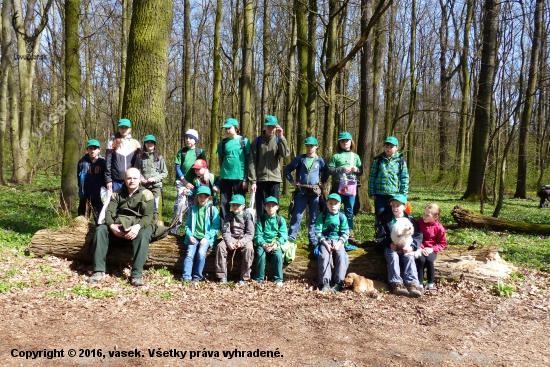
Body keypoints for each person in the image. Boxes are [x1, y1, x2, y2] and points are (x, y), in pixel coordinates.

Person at [87, 167, 154, 286]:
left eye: (135, 178)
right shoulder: (116, 193)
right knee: (101, 230)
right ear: (125, 179)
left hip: (139, 224)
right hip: (120, 223)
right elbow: (108, 213)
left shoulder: (147, 194)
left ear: (140, 180)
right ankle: (98, 271)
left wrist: (137, 227)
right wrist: (112, 226)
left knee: (144, 235)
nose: (132, 181)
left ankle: (136, 275)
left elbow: (148, 217)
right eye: (129, 178)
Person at [284, 136, 328, 248]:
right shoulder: (300, 159)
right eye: (307, 146)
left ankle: (312, 239)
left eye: (312, 146)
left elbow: (326, 172)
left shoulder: (320, 160)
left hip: (314, 192)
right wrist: (292, 181)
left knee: (314, 216)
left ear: (316, 147)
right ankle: (291, 238)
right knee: (297, 215)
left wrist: (322, 181)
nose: (309, 148)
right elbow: (287, 169)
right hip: (301, 191)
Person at [375, 194, 423, 297]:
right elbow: (380, 236)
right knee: (392, 256)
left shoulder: (410, 219)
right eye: (393, 205)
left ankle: (412, 284)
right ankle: (396, 284)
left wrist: (412, 247)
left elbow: (418, 235)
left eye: (398, 206)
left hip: (407, 246)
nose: (395, 208)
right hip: (391, 247)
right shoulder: (386, 219)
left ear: (404, 207)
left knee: (409, 257)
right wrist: (389, 244)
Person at [249, 115, 290, 219]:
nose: (271, 129)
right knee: (260, 207)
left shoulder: (278, 140)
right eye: (269, 127)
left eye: (273, 127)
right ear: (265, 126)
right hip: (260, 179)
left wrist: (281, 137)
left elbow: (285, 154)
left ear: (276, 127)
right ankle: (261, 229)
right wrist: (253, 181)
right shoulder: (257, 141)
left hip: (274, 179)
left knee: (274, 206)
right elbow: (251, 162)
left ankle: (274, 229)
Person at [327, 132, 363, 246]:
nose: (345, 142)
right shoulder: (336, 156)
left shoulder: (355, 156)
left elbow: (361, 171)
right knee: (335, 210)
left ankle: (350, 234)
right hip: (338, 188)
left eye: (347, 140)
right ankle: (335, 232)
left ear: (351, 141)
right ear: (339, 143)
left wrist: (356, 169)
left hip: (351, 188)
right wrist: (341, 169)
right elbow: (330, 170)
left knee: (349, 211)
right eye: (342, 141)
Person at [182, 186, 220, 284]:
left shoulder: (213, 209)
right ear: (197, 197)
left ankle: (197, 276)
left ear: (209, 198)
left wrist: (206, 237)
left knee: (201, 253)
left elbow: (215, 226)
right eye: (200, 197)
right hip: (194, 236)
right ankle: (186, 277)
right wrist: (190, 235)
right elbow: (187, 226)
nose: (202, 199)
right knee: (189, 254)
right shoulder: (193, 209)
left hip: (206, 237)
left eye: (205, 197)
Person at [172, 129, 207, 233]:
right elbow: (177, 167)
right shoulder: (181, 152)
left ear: (195, 140)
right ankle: (174, 230)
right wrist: (185, 182)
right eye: (186, 138)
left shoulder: (200, 152)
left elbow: (204, 165)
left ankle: (190, 231)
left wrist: (205, 172)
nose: (188, 140)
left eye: (191, 138)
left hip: (196, 183)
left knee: (191, 207)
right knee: (180, 204)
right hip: (182, 182)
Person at [216, 118, 251, 220]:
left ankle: (240, 227)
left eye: (229, 128)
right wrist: (223, 170)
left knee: (239, 204)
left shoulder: (244, 141)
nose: (227, 130)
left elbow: (248, 161)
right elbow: (220, 158)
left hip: (239, 178)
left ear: (236, 128)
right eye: (225, 128)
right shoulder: (222, 143)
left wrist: (246, 179)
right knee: (224, 203)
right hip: (225, 177)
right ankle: (224, 229)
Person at [215, 194, 254, 286]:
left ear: (243, 206)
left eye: (238, 205)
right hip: (231, 238)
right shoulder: (229, 215)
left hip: (244, 239)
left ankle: (244, 277)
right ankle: (222, 275)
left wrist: (241, 242)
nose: (235, 207)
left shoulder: (248, 216)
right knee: (220, 247)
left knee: (249, 250)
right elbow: (225, 231)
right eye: (233, 205)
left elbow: (250, 233)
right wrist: (228, 242)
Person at [368, 136, 409, 219]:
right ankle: (379, 231)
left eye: (391, 147)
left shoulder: (400, 162)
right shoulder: (378, 161)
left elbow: (404, 178)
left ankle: (392, 231)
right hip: (379, 195)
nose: (388, 149)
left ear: (397, 148)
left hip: (394, 195)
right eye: (386, 147)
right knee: (379, 213)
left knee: (393, 215)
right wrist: (371, 192)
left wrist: (403, 195)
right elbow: (372, 177)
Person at [315, 193, 349, 292]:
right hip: (325, 240)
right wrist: (325, 243)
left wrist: (339, 243)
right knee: (324, 256)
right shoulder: (322, 216)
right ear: (327, 204)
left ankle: (339, 282)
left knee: (341, 256)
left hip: (338, 240)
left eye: (335, 203)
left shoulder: (342, 217)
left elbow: (345, 233)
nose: (333, 205)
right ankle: (325, 282)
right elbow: (318, 232)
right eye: (331, 203)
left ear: (340, 205)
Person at [253, 196, 288, 286]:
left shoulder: (281, 220)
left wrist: (276, 244)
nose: (270, 208)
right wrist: (263, 244)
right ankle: (259, 278)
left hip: (275, 244)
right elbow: (257, 235)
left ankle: (278, 279)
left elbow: (283, 235)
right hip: (263, 243)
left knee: (278, 256)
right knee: (260, 255)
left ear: (277, 207)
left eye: (273, 205)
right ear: (265, 207)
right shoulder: (261, 220)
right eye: (268, 205)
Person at [135, 135, 168, 221]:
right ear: (144, 144)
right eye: (147, 142)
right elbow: (136, 170)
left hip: (155, 187)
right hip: (143, 186)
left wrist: (154, 179)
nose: (149, 144)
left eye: (151, 142)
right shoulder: (140, 157)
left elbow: (164, 172)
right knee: (143, 206)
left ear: (154, 144)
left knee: (154, 208)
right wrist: (141, 178)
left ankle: (154, 226)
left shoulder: (159, 157)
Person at [416, 204, 447, 293]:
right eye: (424, 214)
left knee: (429, 261)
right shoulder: (419, 223)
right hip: (420, 248)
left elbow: (442, 243)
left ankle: (430, 283)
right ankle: (420, 284)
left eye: (427, 215)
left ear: (435, 217)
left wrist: (432, 249)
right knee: (421, 260)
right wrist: (421, 248)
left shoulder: (439, 228)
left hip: (431, 250)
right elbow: (416, 237)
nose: (424, 216)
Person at [105, 118, 141, 191]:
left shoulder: (135, 143)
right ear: (118, 128)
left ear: (130, 129)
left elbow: (139, 163)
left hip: (131, 180)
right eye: (121, 127)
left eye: (126, 128)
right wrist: (108, 180)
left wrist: (139, 177)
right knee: (116, 201)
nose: (123, 130)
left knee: (130, 201)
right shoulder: (112, 143)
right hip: (116, 180)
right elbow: (107, 163)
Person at [77, 139, 106, 220]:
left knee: (99, 219)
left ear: (99, 149)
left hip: (99, 196)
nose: (92, 151)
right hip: (85, 195)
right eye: (90, 148)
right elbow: (79, 178)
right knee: (82, 219)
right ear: (87, 150)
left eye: (95, 148)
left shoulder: (104, 162)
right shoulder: (82, 162)